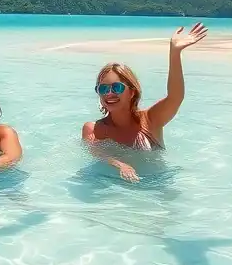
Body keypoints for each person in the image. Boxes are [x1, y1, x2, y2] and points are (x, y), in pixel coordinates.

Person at [81, 23, 207, 181]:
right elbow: (95, 152)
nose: (109, 93)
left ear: (132, 92)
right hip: (113, 192)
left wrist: (174, 52)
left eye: (117, 87)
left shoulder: (151, 120)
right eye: (103, 89)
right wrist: (120, 164)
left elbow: (175, 97)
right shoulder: (93, 129)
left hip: (156, 187)